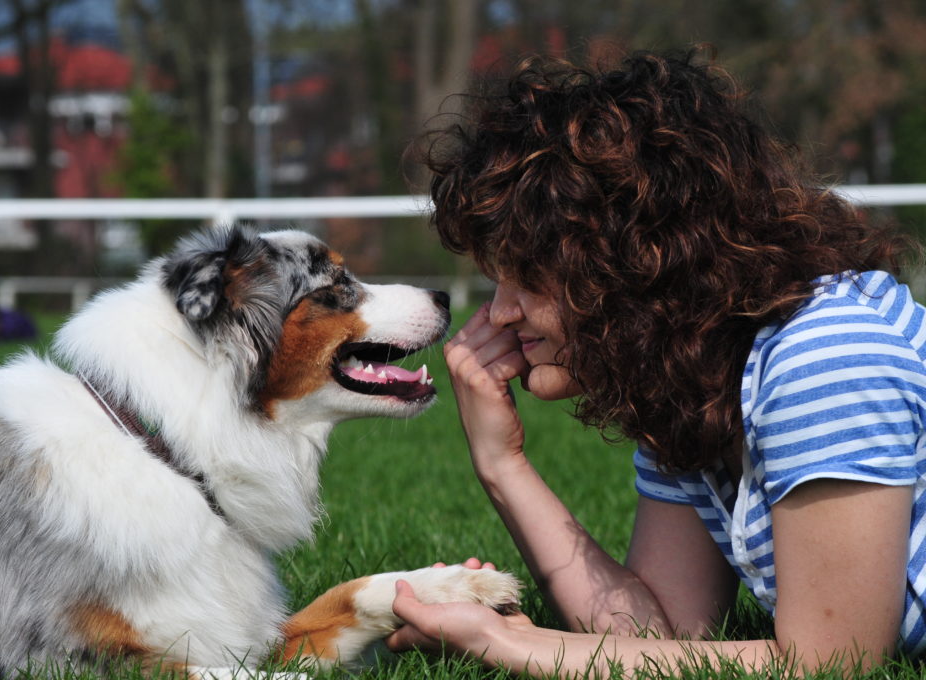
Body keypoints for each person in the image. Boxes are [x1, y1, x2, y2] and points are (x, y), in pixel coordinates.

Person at [385, 49, 924, 677]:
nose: (499, 313)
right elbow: (659, 632)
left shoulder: (824, 356)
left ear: (638, 264)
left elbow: (832, 663)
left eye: (527, 276)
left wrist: (510, 646)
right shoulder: (693, 385)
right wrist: (502, 465)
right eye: (495, 278)